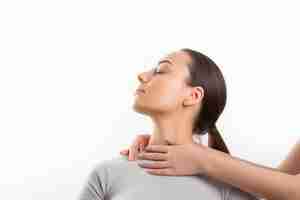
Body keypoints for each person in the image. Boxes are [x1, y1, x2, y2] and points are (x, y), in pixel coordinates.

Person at [78, 48, 259, 200]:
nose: (141, 76)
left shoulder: (226, 186)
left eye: (161, 70)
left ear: (193, 96)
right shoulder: (107, 174)